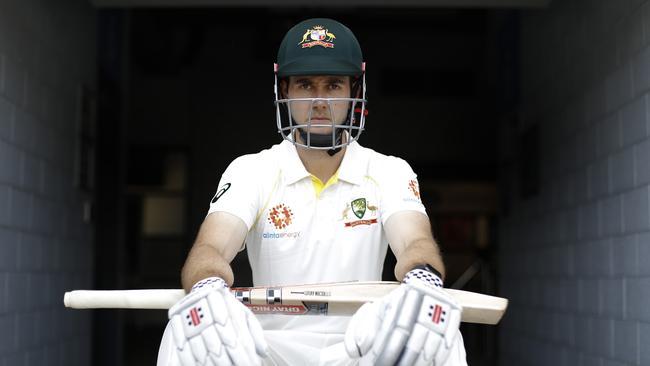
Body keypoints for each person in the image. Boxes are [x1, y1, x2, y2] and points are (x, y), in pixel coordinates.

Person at [157, 18, 468, 366]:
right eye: (306, 85)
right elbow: (210, 248)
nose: (320, 101)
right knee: (185, 329)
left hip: (360, 347)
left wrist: (423, 279)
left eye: (333, 85)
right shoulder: (253, 170)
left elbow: (415, 243)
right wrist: (205, 288)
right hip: (269, 350)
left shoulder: (388, 170)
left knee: (440, 331)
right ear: (285, 92)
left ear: (355, 92)